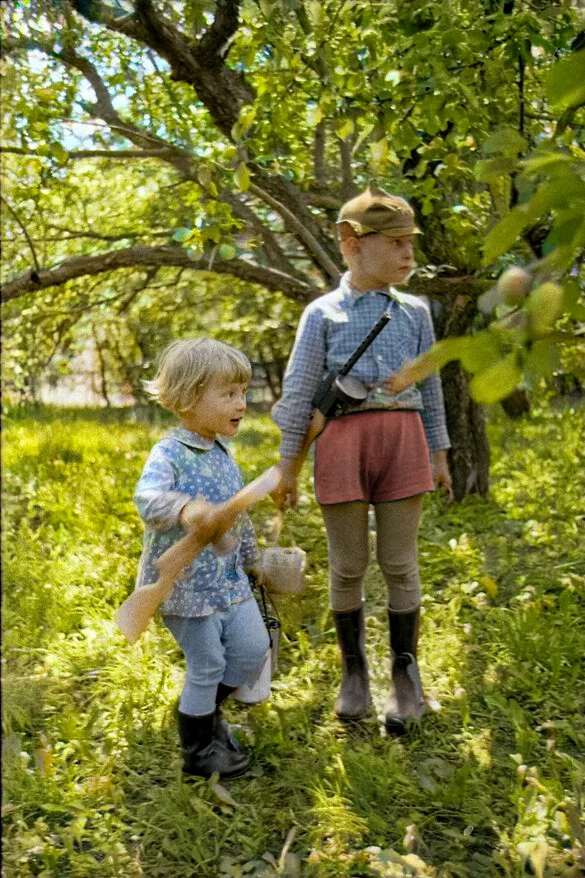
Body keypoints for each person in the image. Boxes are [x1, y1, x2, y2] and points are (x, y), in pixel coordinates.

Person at [272, 186, 452, 736]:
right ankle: (354, 673)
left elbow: (432, 385)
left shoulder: (417, 312)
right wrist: (287, 465)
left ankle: (405, 676)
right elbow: (300, 391)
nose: (407, 254)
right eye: (394, 243)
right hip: (342, 444)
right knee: (348, 565)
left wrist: (440, 450)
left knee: (400, 562)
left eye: (410, 244)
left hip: (404, 442)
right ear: (352, 244)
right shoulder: (321, 314)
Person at [134, 338, 270, 778]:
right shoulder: (170, 453)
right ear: (190, 397)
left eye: (243, 392)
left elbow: (238, 518)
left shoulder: (223, 454)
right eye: (228, 393)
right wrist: (186, 509)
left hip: (229, 580)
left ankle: (206, 716)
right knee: (207, 662)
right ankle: (197, 752)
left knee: (253, 647)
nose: (241, 403)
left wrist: (255, 562)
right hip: (186, 584)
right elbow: (147, 499)